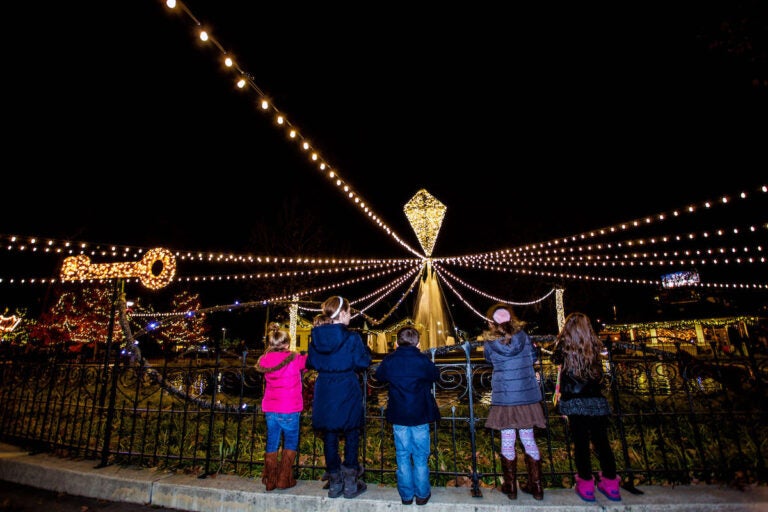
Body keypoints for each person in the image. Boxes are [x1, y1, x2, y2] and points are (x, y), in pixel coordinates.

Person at [306, 296, 372, 499]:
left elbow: (312, 362)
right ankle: (351, 482)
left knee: (329, 434)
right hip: (346, 386)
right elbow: (362, 362)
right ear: (342, 313)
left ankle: (335, 481)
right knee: (351, 431)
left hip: (325, 386)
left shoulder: (315, 337)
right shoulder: (352, 338)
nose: (351, 316)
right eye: (350, 312)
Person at [551, 312, 621, 502]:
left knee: (581, 444)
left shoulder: (564, 348)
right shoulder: (595, 346)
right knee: (602, 443)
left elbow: (555, 360)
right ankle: (611, 483)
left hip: (574, 400)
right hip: (595, 400)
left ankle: (586, 483)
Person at [482, 303, 546, 500]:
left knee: (507, 440)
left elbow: (489, 360)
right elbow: (534, 357)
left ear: (492, 321)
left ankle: (511, 487)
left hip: (505, 398)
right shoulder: (524, 336)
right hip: (526, 397)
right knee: (529, 439)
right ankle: (536, 487)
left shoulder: (490, 341)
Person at [374, 326, 441, 506]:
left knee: (402, 454)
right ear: (419, 343)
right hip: (420, 414)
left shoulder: (390, 360)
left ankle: (405, 495)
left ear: (396, 343)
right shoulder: (422, 360)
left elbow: (378, 375)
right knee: (420, 455)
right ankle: (421, 494)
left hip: (399, 414)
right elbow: (436, 375)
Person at [254, 322, 308, 491]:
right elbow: (308, 364)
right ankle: (284, 478)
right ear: (287, 344)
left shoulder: (264, 359)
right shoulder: (294, 358)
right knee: (290, 441)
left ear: (271, 344)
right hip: (290, 407)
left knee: (272, 442)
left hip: (270, 407)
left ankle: (270, 480)